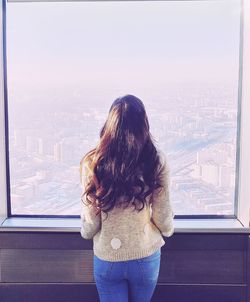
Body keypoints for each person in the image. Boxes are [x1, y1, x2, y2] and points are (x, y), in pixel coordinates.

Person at [79, 94, 175, 302]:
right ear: (144, 125)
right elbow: (162, 214)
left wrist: (87, 231)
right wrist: (167, 229)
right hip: (145, 254)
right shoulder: (155, 160)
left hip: (107, 258)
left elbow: (90, 225)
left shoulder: (93, 162)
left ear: (110, 124)